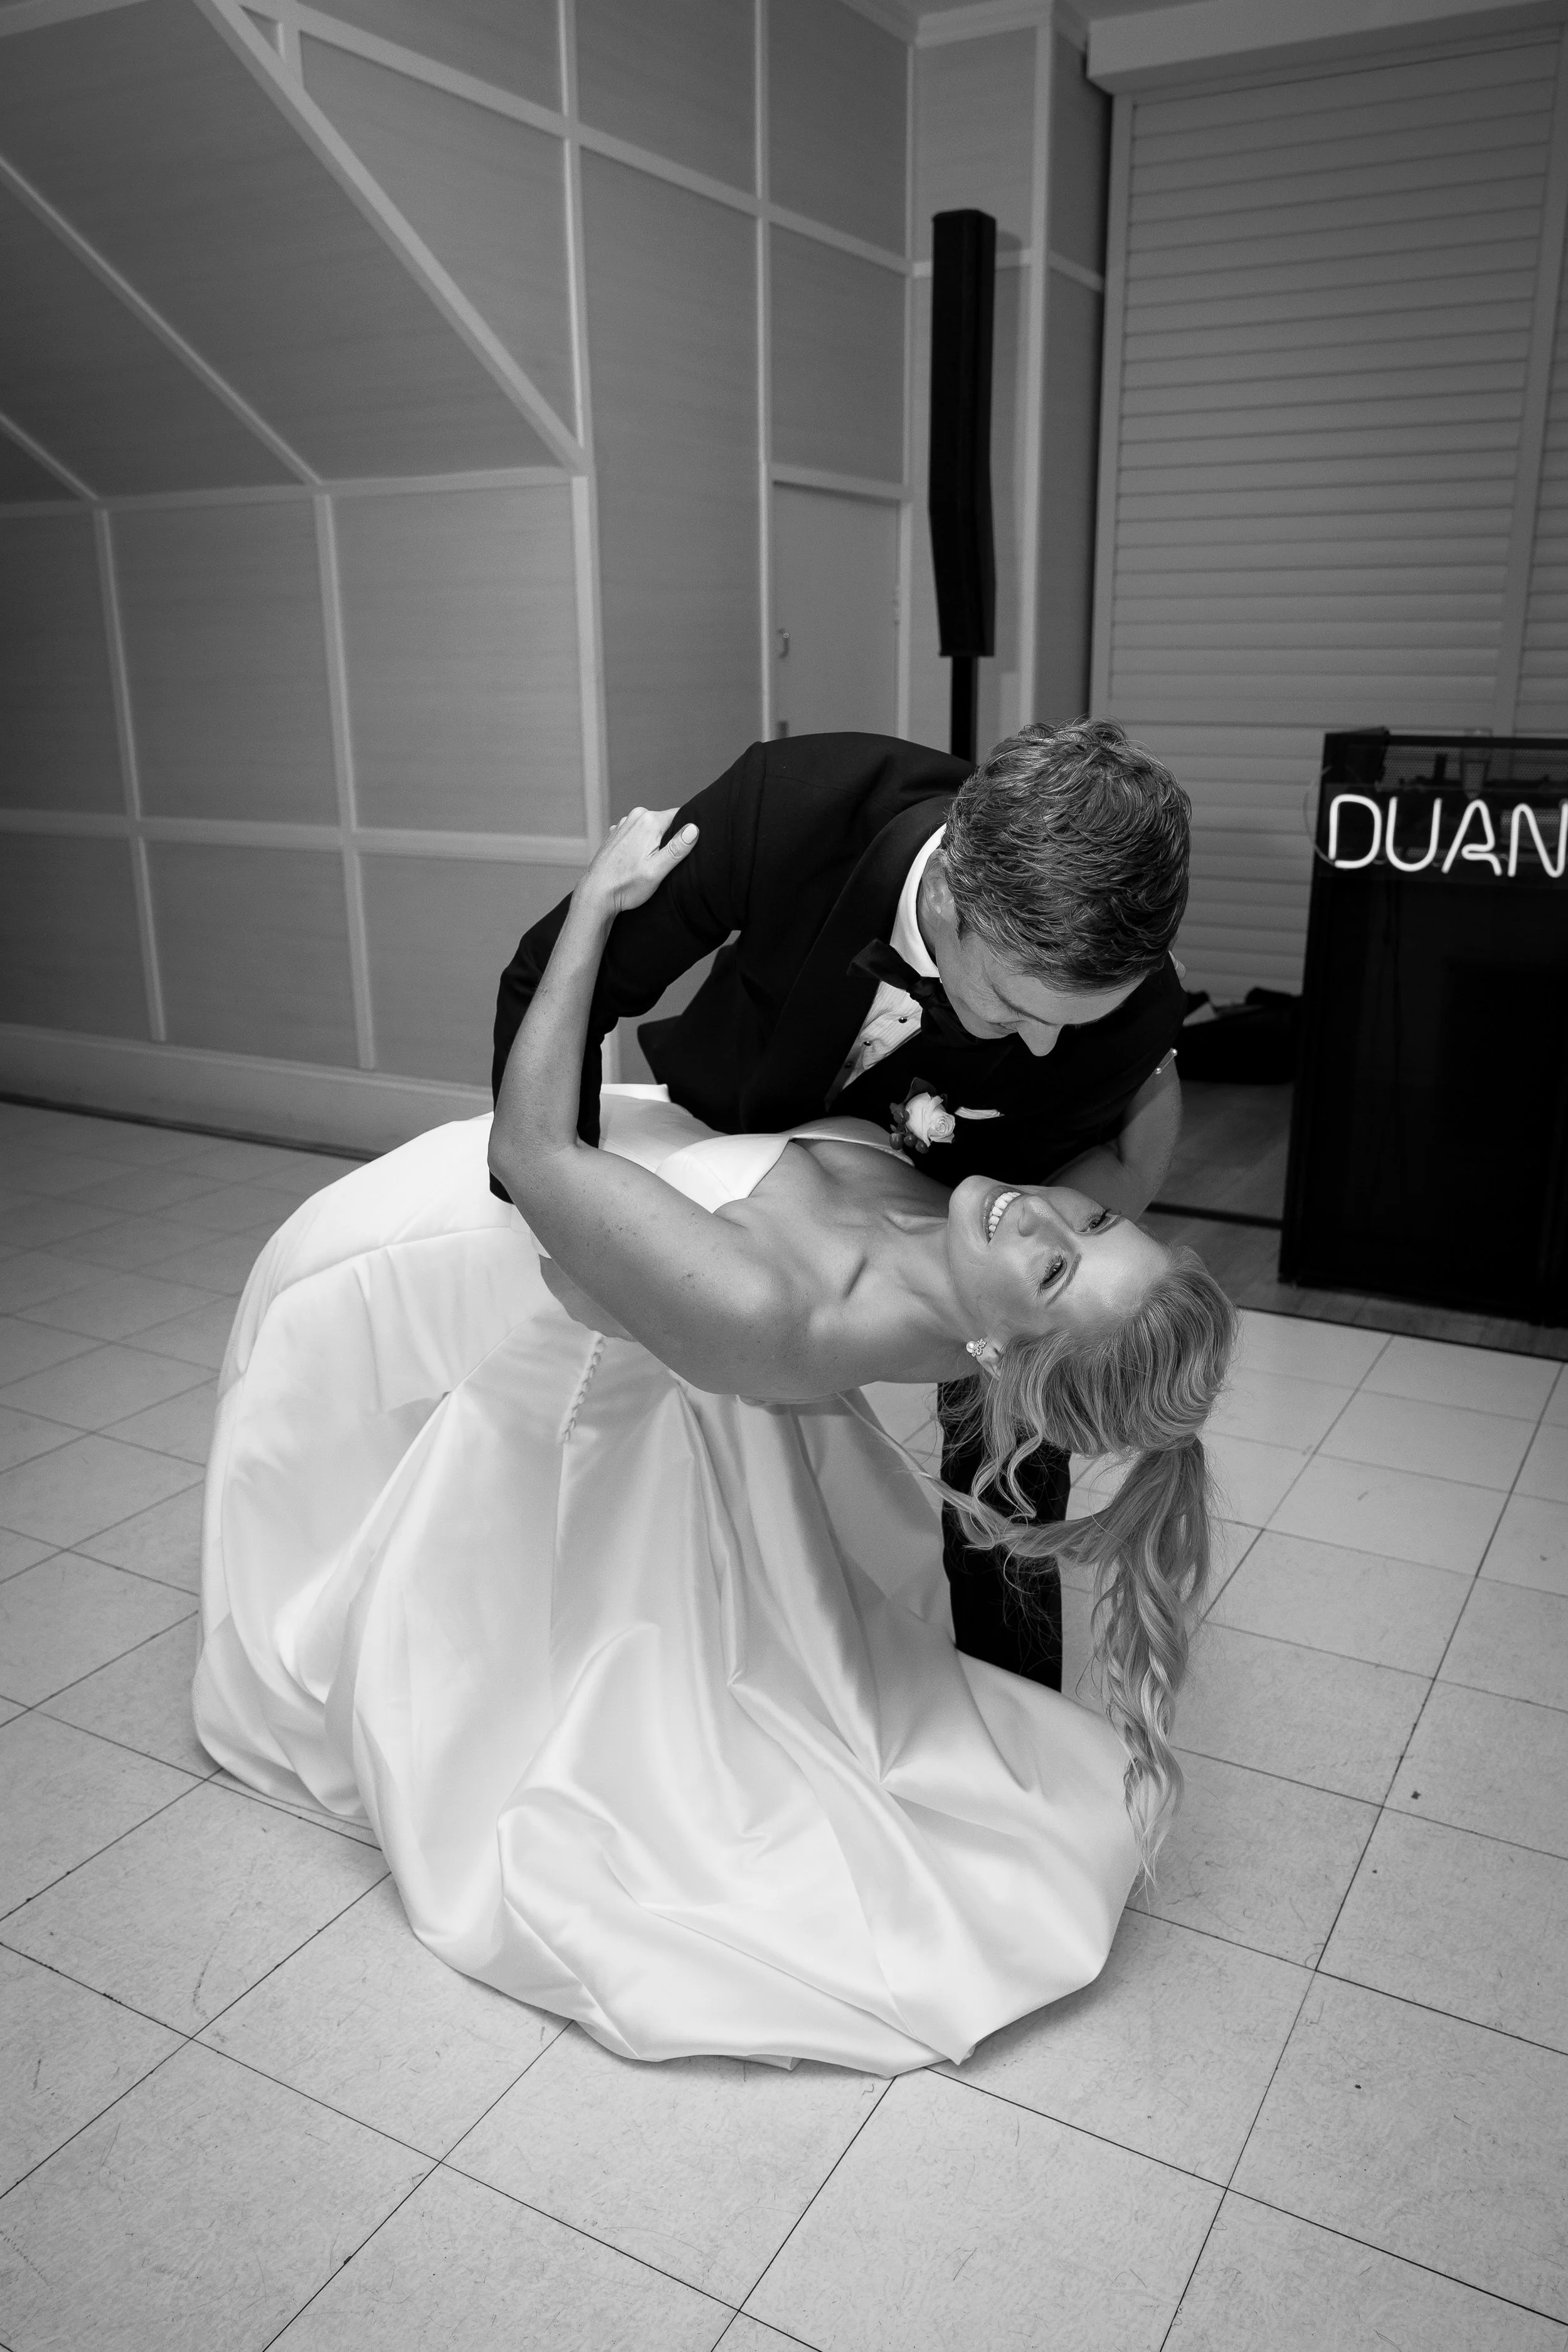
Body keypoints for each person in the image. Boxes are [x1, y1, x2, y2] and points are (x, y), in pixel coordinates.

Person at [194, 808, 1235, 2075]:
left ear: (1005, 1360)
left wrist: (593, 905)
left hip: (445, 1238)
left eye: (1054, 1265)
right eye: (1078, 1219)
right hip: (641, 1157)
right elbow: (1135, 1131)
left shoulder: (767, 1311)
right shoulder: (986, 1248)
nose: (1035, 1213)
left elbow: (531, 1152)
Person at [490, 720, 1192, 1693]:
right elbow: (547, 990)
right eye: (1016, 1007)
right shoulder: (794, 808)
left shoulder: (1126, 1011)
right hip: (722, 1123)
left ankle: (1010, 1701)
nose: (1042, 1051)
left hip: (925, 1197)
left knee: (1025, 1381)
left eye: (1071, 1022)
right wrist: (552, 1230)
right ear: (947, 893)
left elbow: (1123, 1139)